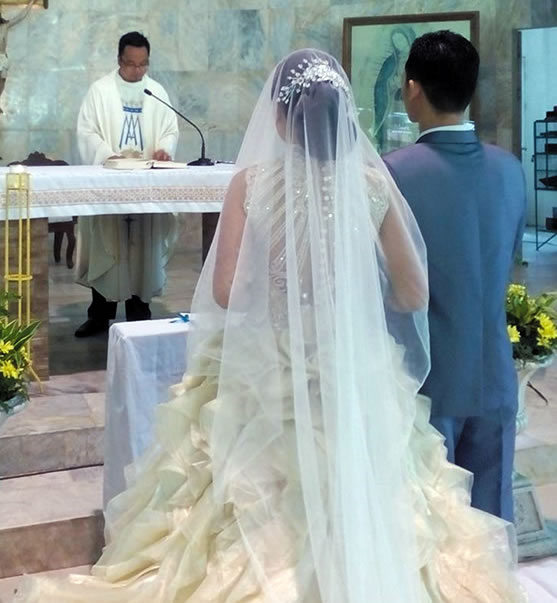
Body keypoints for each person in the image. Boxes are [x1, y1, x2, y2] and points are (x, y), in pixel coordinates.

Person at [17, 49, 525, 602]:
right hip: (349, 365)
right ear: (341, 116)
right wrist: (350, 298)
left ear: (279, 119)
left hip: (268, 364)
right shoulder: (373, 185)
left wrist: (278, 291)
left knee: (237, 490)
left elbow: (224, 289)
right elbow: (413, 291)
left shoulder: (252, 183)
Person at [383, 31, 527, 523]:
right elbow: (506, 260)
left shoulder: (392, 174)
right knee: (491, 521)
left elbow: (382, 284)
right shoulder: (510, 170)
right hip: (495, 374)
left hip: (427, 377)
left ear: (412, 89)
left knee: (432, 529)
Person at [74, 31, 179, 338]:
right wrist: (108, 154)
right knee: (107, 245)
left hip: (145, 183)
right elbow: (87, 132)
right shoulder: (100, 91)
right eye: (131, 64)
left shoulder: (156, 91)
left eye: (143, 64)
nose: (138, 70)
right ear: (119, 60)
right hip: (110, 180)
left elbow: (170, 128)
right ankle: (99, 315)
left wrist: (164, 148)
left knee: (141, 249)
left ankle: (140, 311)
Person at [0, 0, 36, 111]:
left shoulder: (5, 25)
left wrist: (32, 2)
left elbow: (21, 15)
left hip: (2, 57)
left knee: (2, 81)